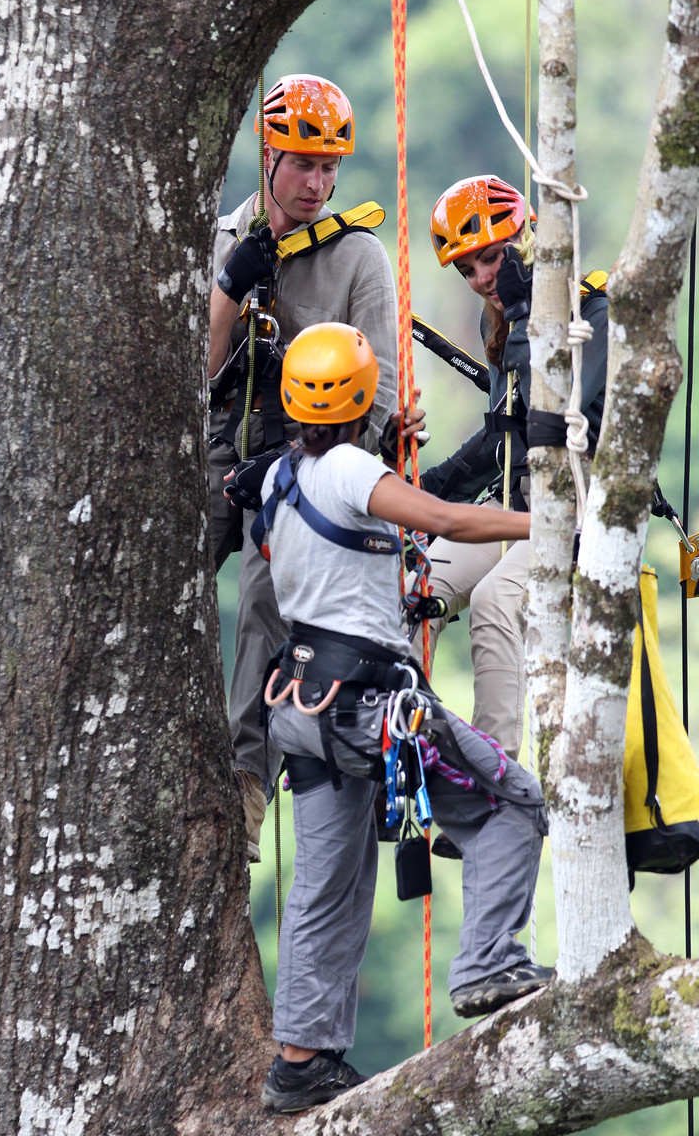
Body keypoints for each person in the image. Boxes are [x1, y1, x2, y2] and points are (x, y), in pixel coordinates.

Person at [254, 322, 551, 1115]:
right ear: (361, 393)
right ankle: (489, 961)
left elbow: (324, 547)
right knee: (512, 803)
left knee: (327, 886)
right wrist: (549, 528)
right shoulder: (353, 469)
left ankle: (299, 1064)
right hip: (369, 707)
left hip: (303, 710)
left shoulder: (281, 478)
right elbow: (446, 521)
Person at [208, 74, 398, 860]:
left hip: (307, 457)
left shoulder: (357, 256)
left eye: (329, 168)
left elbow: (379, 393)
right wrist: (231, 283)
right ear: (269, 156)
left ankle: (247, 781)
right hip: (221, 443)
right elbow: (198, 368)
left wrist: (296, 470)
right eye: (302, 165)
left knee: (264, 594)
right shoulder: (222, 236)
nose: (317, 183)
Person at [418, 174, 608, 760]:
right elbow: (503, 433)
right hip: (518, 506)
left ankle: (490, 770)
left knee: (497, 600)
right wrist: (429, 493)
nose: (483, 279)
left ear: (527, 244)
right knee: (412, 587)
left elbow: (551, 426)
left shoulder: (592, 314)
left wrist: (527, 311)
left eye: (493, 258)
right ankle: (408, 744)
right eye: (468, 268)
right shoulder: (496, 321)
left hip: (576, 512)